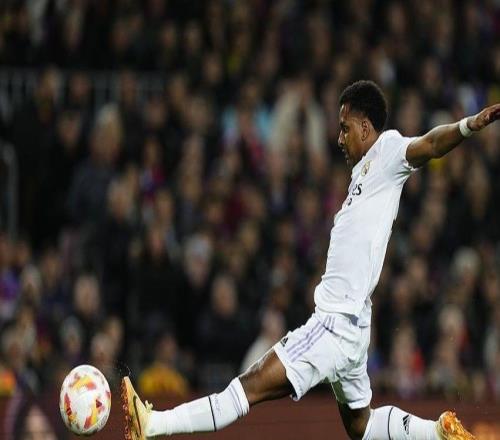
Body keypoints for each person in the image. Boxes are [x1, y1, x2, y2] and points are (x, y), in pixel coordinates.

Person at [122, 80, 500, 440]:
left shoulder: (387, 151)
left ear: (365, 127)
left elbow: (430, 144)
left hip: (334, 325)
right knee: (361, 427)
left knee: (248, 386)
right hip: (354, 325)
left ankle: (153, 424)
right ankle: (436, 432)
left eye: (345, 128)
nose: (339, 138)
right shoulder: (363, 176)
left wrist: (467, 125)